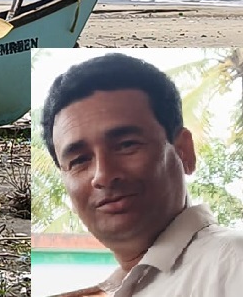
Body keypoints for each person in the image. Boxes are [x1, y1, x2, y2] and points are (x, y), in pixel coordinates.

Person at [40, 52, 243, 296]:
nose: (103, 176)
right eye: (80, 160)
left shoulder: (230, 264)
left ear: (183, 152)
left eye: (126, 145)